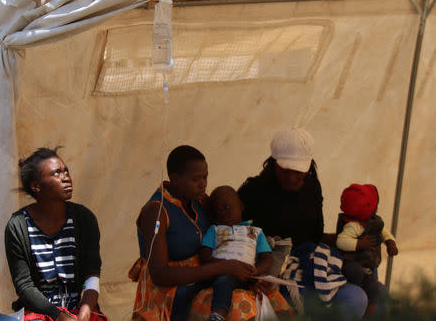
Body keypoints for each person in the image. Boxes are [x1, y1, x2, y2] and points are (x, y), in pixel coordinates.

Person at [130, 145, 290, 320]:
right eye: (196, 179)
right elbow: (160, 275)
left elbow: (228, 231)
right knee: (239, 304)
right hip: (170, 290)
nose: (203, 184)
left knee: (268, 294)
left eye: (205, 177)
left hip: (208, 276)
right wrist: (222, 267)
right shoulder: (157, 211)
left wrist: (250, 275)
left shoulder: (198, 200)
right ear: (175, 179)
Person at [237, 128, 373, 319]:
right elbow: (238, 238)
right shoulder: (252, 191)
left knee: (356, 298)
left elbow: (315, 236)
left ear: (309, 165)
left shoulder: (312, 186)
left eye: (298, 171)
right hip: (272, 273)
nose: (292, 178)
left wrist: (352, 241)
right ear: (273, 163)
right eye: (285, 170)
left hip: (307, 263)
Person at [4, 147, 106, 321]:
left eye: (66, 171)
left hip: (79, 309)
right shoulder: (17, 225)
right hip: (39, 312)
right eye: (56, 173)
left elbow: (92, 273)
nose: (66, 177)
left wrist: (86, 310)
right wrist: (57, 315)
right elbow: (24, 286)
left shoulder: (84, 218)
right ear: (36, 186)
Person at [200, 186, 273, 321]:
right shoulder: (215, 230)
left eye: (227, 207)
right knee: (224, 280)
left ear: (240, 206)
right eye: (217, 211)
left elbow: (266, 257)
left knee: (269, 290)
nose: (222, 213)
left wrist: (256, 272)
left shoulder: (255, 232)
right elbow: (204, 256)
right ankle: (218, 315)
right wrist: (224, 266)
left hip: (247, 275)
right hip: (219, 273)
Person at [336, 184, 398, 317]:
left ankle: (369, 315)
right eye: (375, 206)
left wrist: (390, 242)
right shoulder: (354, 226)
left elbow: (384, 232)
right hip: (351, 263)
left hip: (367, 269)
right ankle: (359, 295)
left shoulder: (374, 222)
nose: (377, 209)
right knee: (355, 272)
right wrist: (359, 244)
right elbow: (341, 241)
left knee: (374, 289)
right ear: (369, 208)